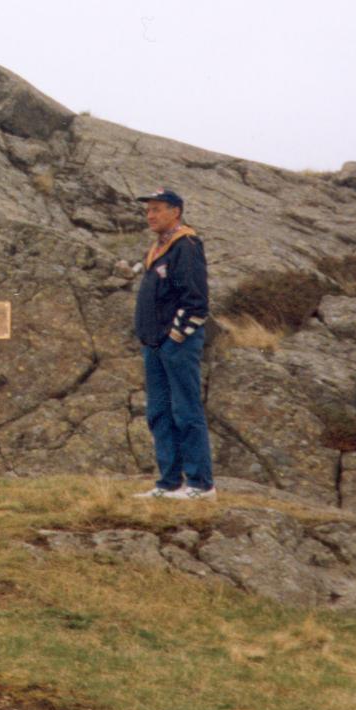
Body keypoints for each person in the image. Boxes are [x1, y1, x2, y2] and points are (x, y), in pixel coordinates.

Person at [131, 188, 215, 499]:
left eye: (157, 209)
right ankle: (169, 483)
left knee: (185, 410)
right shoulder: (159, 248)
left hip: (175, 343)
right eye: (148, 209)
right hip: (154, 343)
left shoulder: (186, 245)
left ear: (175, 212)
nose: (150, 215)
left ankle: (200, 484)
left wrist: (176, 335)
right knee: (159, 412)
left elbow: (196, 300)